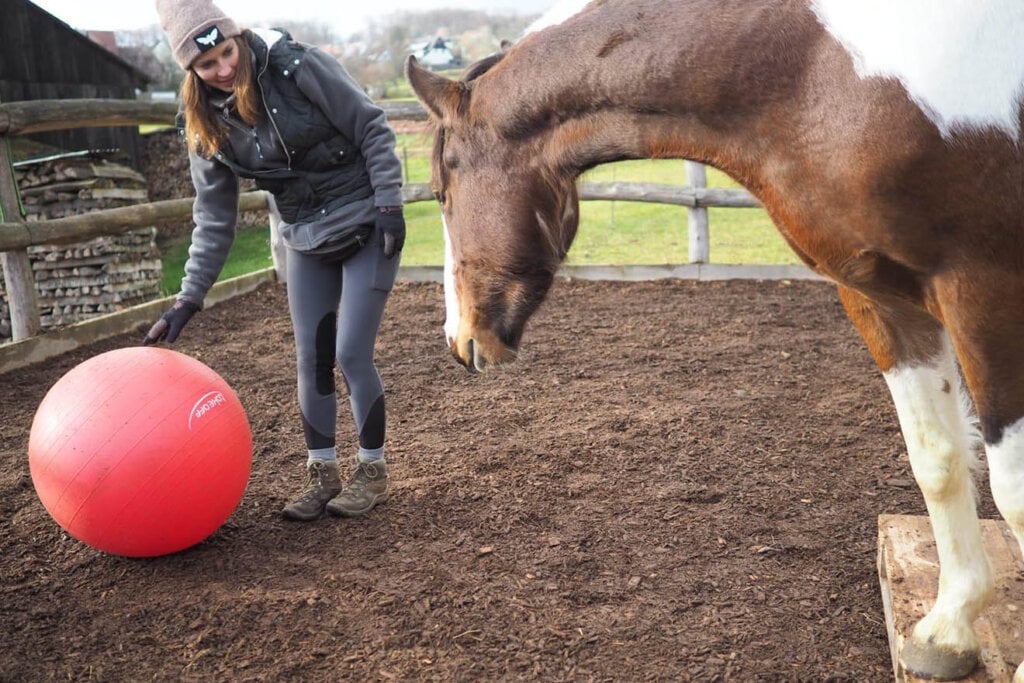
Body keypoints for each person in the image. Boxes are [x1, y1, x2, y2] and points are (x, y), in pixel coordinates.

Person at [148, 0, 406, 522]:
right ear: (191, 73)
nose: (224, 69)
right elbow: (213, 219)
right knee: (312, 358)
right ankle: (322, 474)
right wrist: (188, 300)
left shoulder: (296, 65)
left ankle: (372, 472)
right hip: (305, 237)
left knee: (351, 353)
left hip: (365, 222)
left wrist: (388, 205)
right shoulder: (204, 127)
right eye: (208, 65)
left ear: (237, 38)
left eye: (227, 52)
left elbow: (372, 127)